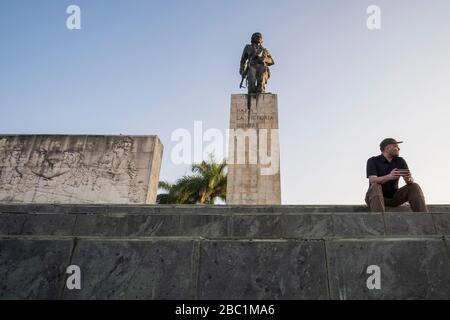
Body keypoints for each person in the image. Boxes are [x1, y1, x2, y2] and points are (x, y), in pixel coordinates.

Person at [365, 138, 428, 212]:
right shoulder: (373, 160)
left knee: (414, 186)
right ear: (387, 148)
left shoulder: (400, 161)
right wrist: (389, 176)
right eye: (396, 146)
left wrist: (409, 179)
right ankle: (380, 220)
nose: (399, 148)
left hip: (393, 198)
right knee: (376, 186)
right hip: (374, 198)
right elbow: (373, 180)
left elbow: (410, 180)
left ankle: (423, 217)